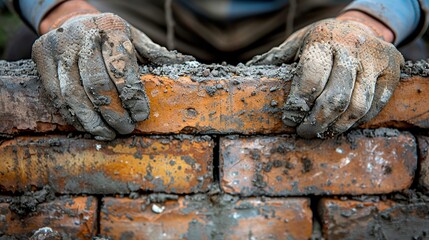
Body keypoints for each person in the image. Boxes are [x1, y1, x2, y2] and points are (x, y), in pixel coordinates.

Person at [6, 0, 429, 140]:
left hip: (314, 8)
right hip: (149, 8)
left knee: (393, 59)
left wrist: (368, 23)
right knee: (47, 51)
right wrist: (65, 11)